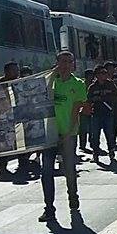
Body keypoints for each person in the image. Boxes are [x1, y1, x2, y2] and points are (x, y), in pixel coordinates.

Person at [39, 51, 90, 223]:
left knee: (69, 170)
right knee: (46, 172)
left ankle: (73, 198)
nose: (66, 65)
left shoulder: (78, 84)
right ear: (57, 63)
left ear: (73, 64)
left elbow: (77, 110)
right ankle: (49, 208)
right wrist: (53, 73)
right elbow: (41, 93)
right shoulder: (51, 82)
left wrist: (68, 133)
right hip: (49, 134)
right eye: (62, 61)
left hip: (68, 133)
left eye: (69, 61)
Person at [0, 62, 22, 177]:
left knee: (20, 142)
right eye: (14, 70)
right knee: (4, 144)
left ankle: (23, 164)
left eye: (17, 70)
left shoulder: (20, 83)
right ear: (6, 72)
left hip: (18, 117)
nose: (17, 73)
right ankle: (2, 166)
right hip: (3, 119)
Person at [87, 64, 117, 164]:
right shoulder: (93, 87)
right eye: (102, 73)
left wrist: (105, 98)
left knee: (109, 134)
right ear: (97, 75)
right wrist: (94, 99)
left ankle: (111, 151)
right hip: (96, 113)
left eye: (105, 73)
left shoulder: (110, 85)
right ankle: (95, 153)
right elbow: (87, 99)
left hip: (108, 113)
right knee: (95, 135)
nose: (104, 75)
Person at [78, 69, 95, 154]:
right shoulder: (81, 84)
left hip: (92, 109)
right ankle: (82, 145)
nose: (91, 77)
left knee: (92, 129)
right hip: (83, 109)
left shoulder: (94, 84)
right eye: (90, 75)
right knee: (83, 129)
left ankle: (92, 144)